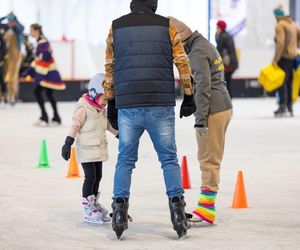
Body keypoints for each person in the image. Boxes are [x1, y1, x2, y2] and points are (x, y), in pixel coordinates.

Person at [104, 0, 196, 239]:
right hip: (160, 103)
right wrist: (189, 95)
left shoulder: (116, 27)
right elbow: (183, 62)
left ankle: (119, 212)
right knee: (168, 159)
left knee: (125, 160)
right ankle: (178, 213)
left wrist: (112, 102)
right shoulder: (167, 26)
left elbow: (110, 68)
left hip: (128, 106)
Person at [169, 17, 232, 224]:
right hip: (221, 106)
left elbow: (203, 87)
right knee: (210, 157)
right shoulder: (203, 44)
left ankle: (207, 208)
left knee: (208, 159)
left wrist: (200, 119)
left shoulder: (196, 53)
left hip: (213, 110)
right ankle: (207, 205)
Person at [61, 73, 118, 225]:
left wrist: (117, 134)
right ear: (95, 93)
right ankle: (88, 209)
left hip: (98, 148)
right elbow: (75, 125)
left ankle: (93, 204)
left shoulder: (100, 109)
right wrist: (68, 143)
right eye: (105, 99)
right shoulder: (83, 107)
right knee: (90, 176)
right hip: (86, 149)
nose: (106, 103)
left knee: (98, 176)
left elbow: (106, 124)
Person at [28, 23, 65, 126]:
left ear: (36, 31)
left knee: (38, 92)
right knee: (47, 93)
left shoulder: (43, 42)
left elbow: (45, 58)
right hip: (47, 73)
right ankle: (55, 118)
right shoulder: (41, 41)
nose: (30, 33)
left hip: (48, 74)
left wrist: (35, 73)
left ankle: (46, 117)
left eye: (31, 30)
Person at [272, 5, 300, 117]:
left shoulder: (280, 25)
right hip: (293, 57)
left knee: (281, 82)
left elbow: (280, 43)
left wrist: (275, 59)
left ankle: (282, 107)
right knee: (289, 83)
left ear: (277, 16)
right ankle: (290, 107)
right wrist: (294, 47)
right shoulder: (293, 23)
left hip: (284, 58)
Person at [0, 12, 24, 105]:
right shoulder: (5, 28)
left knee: (12, 77)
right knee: (3, 77)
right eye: (8, 21)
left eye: (11, 21)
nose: (9, 22)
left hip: (15, 56)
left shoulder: (18, 29)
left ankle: (12, 97)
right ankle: (3, 97)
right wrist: (5, 17)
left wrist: (14, 19)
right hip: (5, 57)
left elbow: (20, 27)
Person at [215, 20, 238, 98]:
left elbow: (218, 50)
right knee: (227, 82)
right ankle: (228, 101)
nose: (216, 29)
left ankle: (227, 101)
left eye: (217, 27)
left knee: (226, 83)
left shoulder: (223, 37)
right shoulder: (227, 35)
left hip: (228, 64)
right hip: (232, 63)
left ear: (221, 28)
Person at [0, 29, 7, 104]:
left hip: (1, 63)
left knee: (3, 80)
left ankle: (5, 97)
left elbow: (4, 51)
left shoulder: (2, 40)